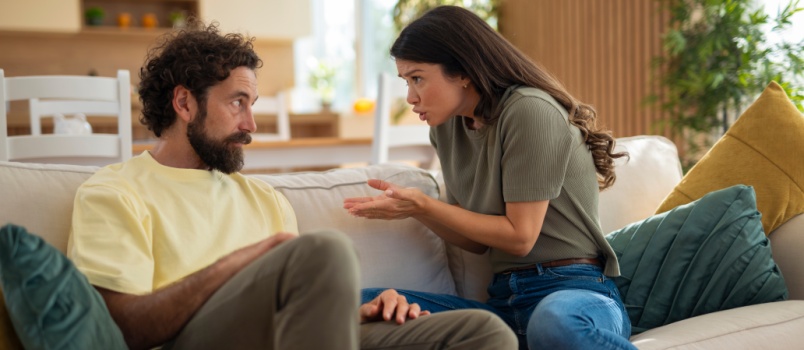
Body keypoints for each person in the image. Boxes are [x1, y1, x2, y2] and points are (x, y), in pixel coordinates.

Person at [67, 19, 517, 350]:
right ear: (184, 103)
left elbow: (300, 320)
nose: (251, 124)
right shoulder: (115, 192)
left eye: (253, 105)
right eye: (237, 103)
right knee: (324, 250)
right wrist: (237, 265)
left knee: (481, 332)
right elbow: (119, 328)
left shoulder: (263, 198)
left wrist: (358, 311)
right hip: (193, 342)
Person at [344, 5, 634, 350]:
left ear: (463, 71)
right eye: (405, 81)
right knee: (359, 303)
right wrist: (415, 210)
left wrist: (424, 204)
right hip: (504, 305)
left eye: (417, 78)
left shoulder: (529, 110)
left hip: (575, 291)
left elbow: (520, 237)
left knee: (554, 323)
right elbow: (476, 242)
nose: (410, 97)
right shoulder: (447, 129)